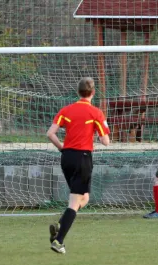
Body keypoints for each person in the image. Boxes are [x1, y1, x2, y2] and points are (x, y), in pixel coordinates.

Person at [46, 77, 110, 254]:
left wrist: (62, 148)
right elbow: (106, 141)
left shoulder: (66, 110)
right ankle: (58, 241)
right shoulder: (96, 112)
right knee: (74, 202)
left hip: (66, 157)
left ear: (78, 92)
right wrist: (99, 136)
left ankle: (60, 224)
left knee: (84, 198)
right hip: (83, 158)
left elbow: (50, 133)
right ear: (93, 93)